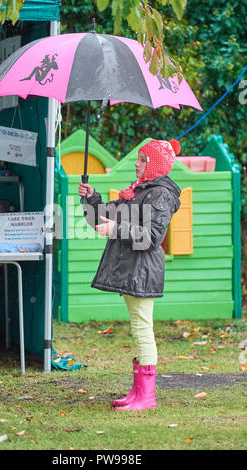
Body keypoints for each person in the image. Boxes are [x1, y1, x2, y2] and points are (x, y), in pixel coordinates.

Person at [78, 138, 182, 411]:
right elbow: (102, 218)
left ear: (155, 165)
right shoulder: (138, 191)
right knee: (138, 331)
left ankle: (146, 397)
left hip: (142, 270)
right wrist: (90, 198)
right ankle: (138, 393)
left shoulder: (160, 194)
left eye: (143, 159)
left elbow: (152, 237)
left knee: (143, 330)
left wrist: (117, 229)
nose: (137, 163)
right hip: (132, 271)